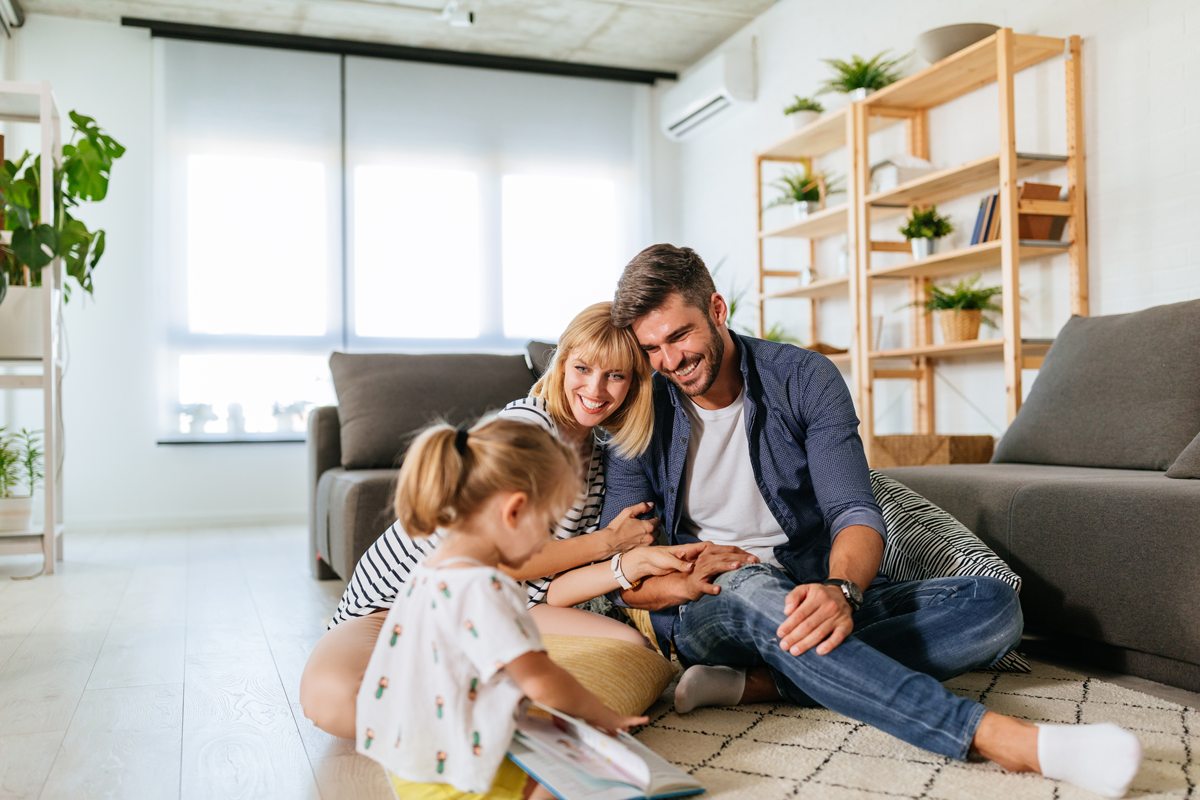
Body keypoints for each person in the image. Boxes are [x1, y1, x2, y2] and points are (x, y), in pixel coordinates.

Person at [600, 244, 1143, 799]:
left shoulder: (803, 377)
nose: (668, 361)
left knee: (994, 607)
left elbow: (853, 510)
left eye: (679, 336)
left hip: (810, 585)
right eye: (651, 348)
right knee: (757, 587)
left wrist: (841, 589)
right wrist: (685, 582)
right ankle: (1005, 739)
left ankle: (767, 683)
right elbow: (622, 577)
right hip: (712, 604)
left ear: (716, 310)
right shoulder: (642, 406)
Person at [301, 302, 692, 739]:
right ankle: (477, 714)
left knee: (632, 652)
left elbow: (545, 588)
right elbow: (507, 561)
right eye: (583, 367)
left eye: (615, 375)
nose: (596, 389)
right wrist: (608, 542)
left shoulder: (600, 463)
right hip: (397, 605)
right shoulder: (527, 427)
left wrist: (627, 566)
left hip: (500, 604)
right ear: (562, 364)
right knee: (336, 700)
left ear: (634, 385)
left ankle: (489, 710)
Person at [357, 416, 658, 799]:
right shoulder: (485, 586)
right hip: (463, 776)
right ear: (514, 511)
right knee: (587, 780)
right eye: (550, 525)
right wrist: (602, 715)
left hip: (410, 767)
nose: (549, 540)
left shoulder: (430, 571)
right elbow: (541, 679)